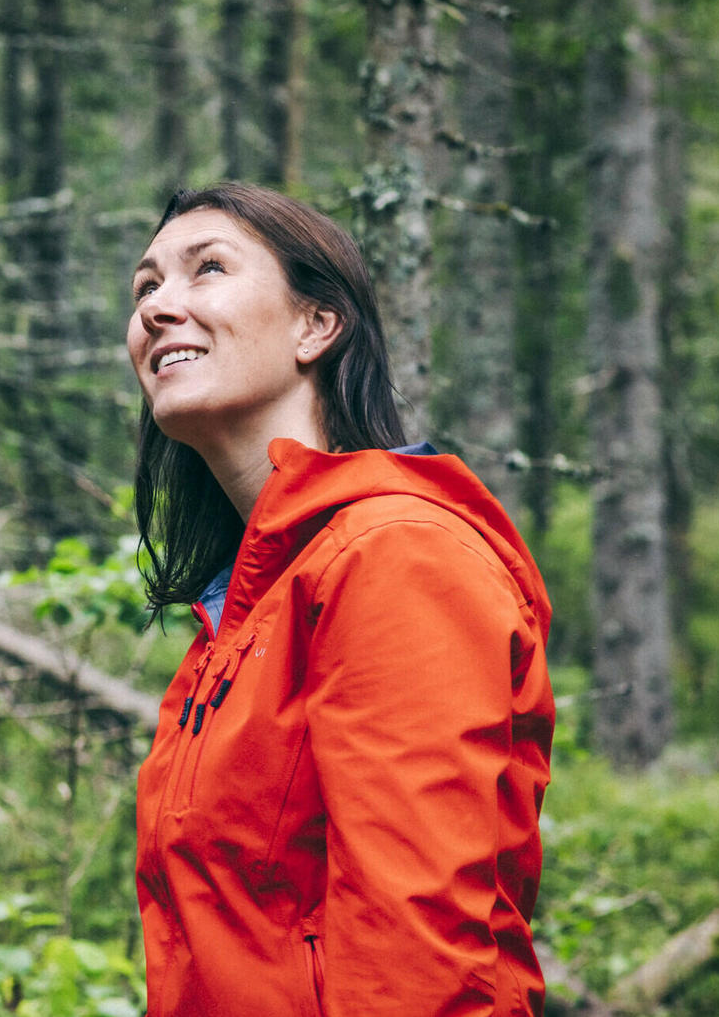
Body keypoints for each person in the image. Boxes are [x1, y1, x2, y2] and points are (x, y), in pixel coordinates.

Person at [123, 183, 555, 1015]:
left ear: (316, 326)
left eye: (206, 269)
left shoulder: (398, 555)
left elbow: (416, 942)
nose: (159, 308)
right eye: (146, 288)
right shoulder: (245, 609)